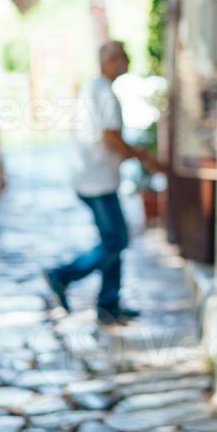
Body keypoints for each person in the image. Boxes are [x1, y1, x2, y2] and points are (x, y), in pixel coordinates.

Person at [43, 40, 163, 324]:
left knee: (113, 240)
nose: (128, 62)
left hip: (94, 178)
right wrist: (143, 156)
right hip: (97, 181)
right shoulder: (104, 92)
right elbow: (111, 137)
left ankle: (109, 303)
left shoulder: (94, 88)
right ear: (109, 60)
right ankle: (63, 274)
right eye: (123, 56)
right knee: (116, 240)